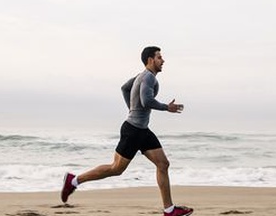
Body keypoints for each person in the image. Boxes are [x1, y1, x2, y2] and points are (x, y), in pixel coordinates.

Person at [61, 46, 193, 216]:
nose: (163, 60)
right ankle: (74, 181)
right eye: (159, 57)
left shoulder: (141, 76)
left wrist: (132, 109)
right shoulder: (149, 78)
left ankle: (169, 210)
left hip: (142, 130)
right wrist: (167, 107)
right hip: (133, 131)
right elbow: (146, 101)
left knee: (163, 164)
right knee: (115, 169)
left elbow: (124, 88)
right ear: (150, 60)